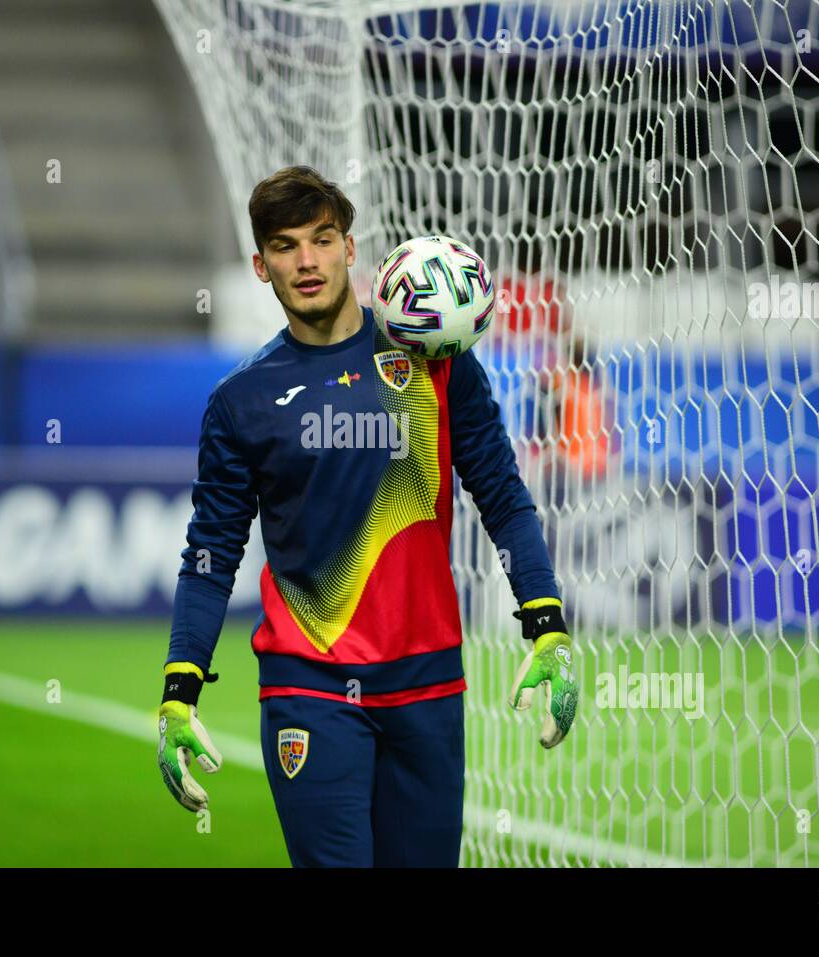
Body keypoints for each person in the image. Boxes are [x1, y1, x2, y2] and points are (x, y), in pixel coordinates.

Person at [156, 165, 577, 867]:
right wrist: (180, 687)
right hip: (309, 686)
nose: (308, 260)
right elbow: (210, 554)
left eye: (322, 239)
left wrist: (548, 624)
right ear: (261, 266)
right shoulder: (242, 401)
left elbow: (502, 494)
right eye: (286, 247)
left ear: (352, 249)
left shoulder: (435, 357)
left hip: (429, 683)